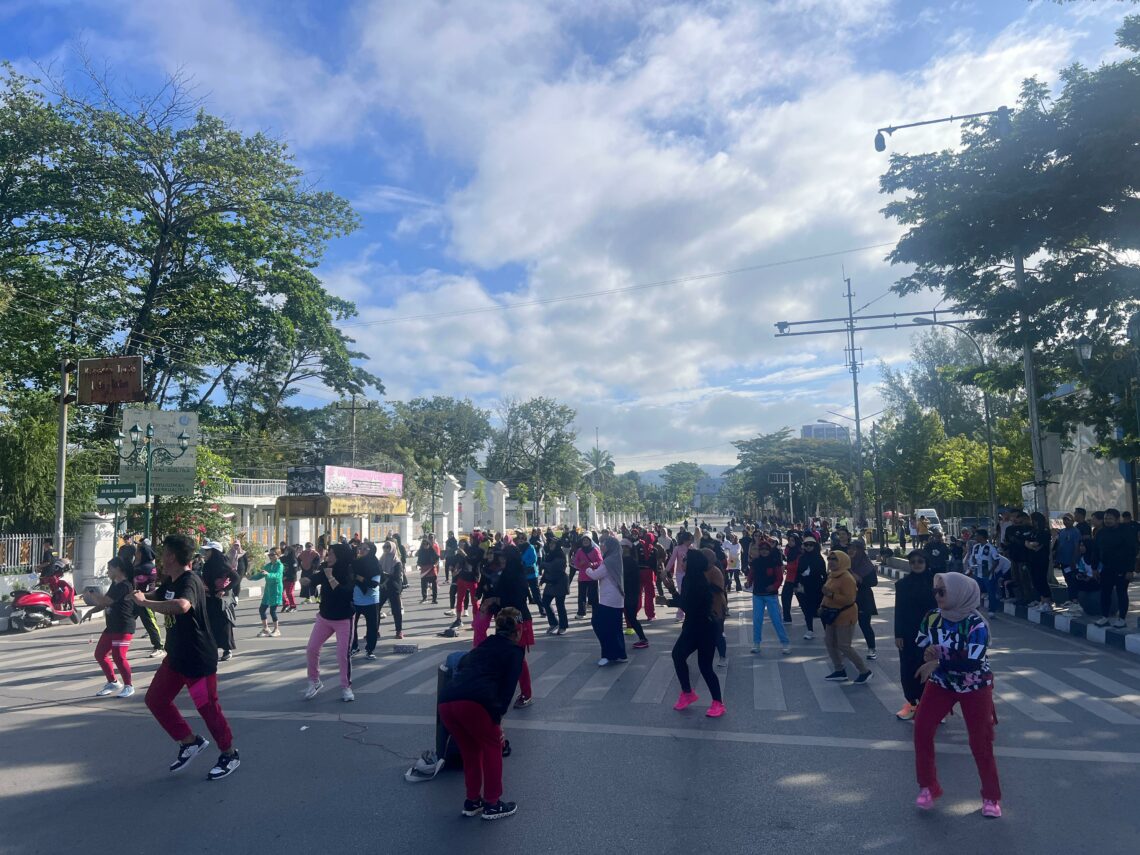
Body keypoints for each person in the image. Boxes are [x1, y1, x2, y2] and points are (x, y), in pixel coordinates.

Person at [136, 534, 240, 781]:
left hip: (197, 659)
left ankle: (229, 754)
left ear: (171, 556)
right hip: (176, 658)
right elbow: (153, 596)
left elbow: (182, 606)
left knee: (208, 710)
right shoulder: (170, 582)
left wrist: (147, 604)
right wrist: (126, 597)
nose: (160, 558)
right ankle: (190, 742)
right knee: (155, 700)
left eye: (163, 553)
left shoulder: (189, 580)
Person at [913, 572, 1002, 818]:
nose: (938, 597)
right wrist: (929, 655)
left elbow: (972, 663)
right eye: (936, 592)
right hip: (943, 683)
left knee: (980, 740)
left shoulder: (976, 624)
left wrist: (938, 661)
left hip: (975, 685)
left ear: (959, 593)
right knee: (921, 728)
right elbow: (923, 648)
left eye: (943, 592)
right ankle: (928, 786)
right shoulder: (932, 618)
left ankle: (991, 797)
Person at [438, 606, 525, 821]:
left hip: (448, 701)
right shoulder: (514, 651)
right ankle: (492, 804)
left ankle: (472, 801)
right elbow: (507, 689)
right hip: (476, 703)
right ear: (518, 630)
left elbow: (464, 664)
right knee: (493, 746)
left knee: (470, 752)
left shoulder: (484, 644)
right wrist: (498, 719)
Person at [663, 549, 725, 718]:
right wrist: (672, 591)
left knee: (705, 667)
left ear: (693, 563)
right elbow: (685, 602)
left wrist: (670, 598)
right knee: (677, 655)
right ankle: (687, 693)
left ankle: (718, 703)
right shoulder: (690, 579)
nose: (681, 562)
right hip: (692, 627)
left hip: (705, 628)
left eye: (684, 560)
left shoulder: (698, 581)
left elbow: (688, 605)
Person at [304, 542, 356, 702]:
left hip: (343, 619)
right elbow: (315, 578)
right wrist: (307, 580)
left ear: (340, 555)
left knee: (342, 655)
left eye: (332, 553)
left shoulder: (349, 570)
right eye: (329, 553)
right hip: (325, 617)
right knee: (311, 649)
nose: (329, 556)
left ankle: (346, 687)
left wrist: (330, 577)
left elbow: (345, 593)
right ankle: (314, 681)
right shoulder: (325, 567)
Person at [84, 557, 136, 698]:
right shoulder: (115, 584)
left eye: (110, 568)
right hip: (112, 626)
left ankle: (129, 686)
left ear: (118, 569)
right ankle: (112, 682)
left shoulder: (125, 586)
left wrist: (92, 593)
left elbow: (106, 601)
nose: (108, 571)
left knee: (119, 657)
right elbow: (104, 604)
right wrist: (91, 611)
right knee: (100, 654)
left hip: (123, 626)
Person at [894, 551, 936, 720]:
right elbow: (899, 611)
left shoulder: (935, 584)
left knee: (931, 668)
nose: (917, 564)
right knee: (909, 668)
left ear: (926, 562)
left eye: (920, 561)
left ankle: (934, 708)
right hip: (910, 633)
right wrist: (898, 634)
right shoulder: (903, 584)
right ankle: (912, 703)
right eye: (913, 562)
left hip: (932, 633)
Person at [820, 550, 872, 684]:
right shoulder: (832, 575)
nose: (831, 561)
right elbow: (826, 593)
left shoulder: (847, 578)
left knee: (844, 645)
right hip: (831, 614)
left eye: (834, 559)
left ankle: (864, 671)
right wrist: (822, 605)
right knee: (829, 642)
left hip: (845, 614)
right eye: (830, 558)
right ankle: (839, 670)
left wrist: (831, 595)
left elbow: (849, 599)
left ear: (842, 561)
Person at [587, 534, 628, 666]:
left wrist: (587, 569)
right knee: (616, 628)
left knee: (599, 624)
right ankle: (620, 654)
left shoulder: (609, 561)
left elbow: (595, 575)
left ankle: (607, 655)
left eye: (605, 544)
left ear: (610, 546)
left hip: (608, 600)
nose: (602, 546)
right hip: (617, 599)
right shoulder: (616, 558)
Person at [1094, 508, 1136, 628]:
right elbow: (1096, 551)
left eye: (1110, 518)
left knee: (1121, 593)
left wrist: (1130, 569)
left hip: (1122, 569)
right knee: (1105, 593)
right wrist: (1094, 567)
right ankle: (1104, 617)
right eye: (1106, 518)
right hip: (1106, 568)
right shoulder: (1101, 533)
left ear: (1117, 519)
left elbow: (1132, 551)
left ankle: (1121, 619)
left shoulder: (1125, 532)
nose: (1107, 521)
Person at [747, 539, 790, 655]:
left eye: (766, 549)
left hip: (771, 595)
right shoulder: (755, 562)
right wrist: (748, 583)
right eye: (762, 549)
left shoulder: (774, 561)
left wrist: (774, 586)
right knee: (757, 620)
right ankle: (756, 644)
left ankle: (785, 643)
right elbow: (751, 575)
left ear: (769, 550)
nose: (764, 551)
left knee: (776, 620)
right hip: (757, 595)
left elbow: (779, 578)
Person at [199, 542, 239, 661]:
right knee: (210, 624)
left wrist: (224, 590)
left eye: (208, 551)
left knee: (224, 624)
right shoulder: (206, 565)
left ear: (215, 552)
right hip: (209, 598)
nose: (205, 554)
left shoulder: (224, 565)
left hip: (223, 600)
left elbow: (236, 578)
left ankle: (227, 649)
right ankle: (212, 649)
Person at [848, 539, 879, 660]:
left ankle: (872, 648)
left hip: (863, 597)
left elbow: (874, 582)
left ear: (860, 550)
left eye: (854, 548)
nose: (851, 551)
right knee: (846, 624)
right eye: (850, 548)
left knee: (864, 624)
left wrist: (860, 579)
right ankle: (845, 648)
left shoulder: (867, 565)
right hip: (847, 597)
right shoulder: (846, 563)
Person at [350, 542, 382, 659]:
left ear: (371, 550)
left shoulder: (375, 564)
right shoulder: (355, 563)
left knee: (372, 626)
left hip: (371, 600)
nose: (361, 551)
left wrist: (359, 578)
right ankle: (354, 647)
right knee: (351, 625)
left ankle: (370, 650)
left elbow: (374, 584)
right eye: (360, 548)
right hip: (356, 599)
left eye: (365, 549)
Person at [795, 535, 826, 640]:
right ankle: (810, 630)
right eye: (806, 545)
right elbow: (798, 572)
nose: (808, 547)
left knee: (820, 610)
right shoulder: (802, 558)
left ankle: (827, 631)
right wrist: (797, 585)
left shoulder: (819, 558)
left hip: (817, 587)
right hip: (805, 587)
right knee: (806, 610)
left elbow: (823, 573)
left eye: (811, 545)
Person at [621, 538, 650, 649]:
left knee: (631, 617)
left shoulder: (629, 561)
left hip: (630, 593)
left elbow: (626, 578)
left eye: (623, 547)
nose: (621, 549)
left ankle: (643, 639)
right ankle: (642, 638)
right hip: (628, 593)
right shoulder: (626, 559)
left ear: (628, 548)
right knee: (630, 617)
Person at [248, 548, 283, 638]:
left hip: (276, 590)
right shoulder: (268, 566)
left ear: (278, 556)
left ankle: (276, 630)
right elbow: (260, 575)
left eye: (272, 554)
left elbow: (278, 576)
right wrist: (251, 577)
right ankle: (266, 629)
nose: (270, 556)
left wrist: (268, 574)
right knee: (262, 609)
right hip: (268, 590)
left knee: (272, 611)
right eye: (269, 555)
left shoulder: (280, 565)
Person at [1025, 511, 1056, 612]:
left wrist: (1031, 545)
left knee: (1041, 579)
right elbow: (1027, 542)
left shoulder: (1044, 531)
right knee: (1035, 580)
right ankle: (1042, 601)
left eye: (1032, 519)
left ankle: (1047, 601)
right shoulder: (1033, 531)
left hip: (1041, 559)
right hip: (1032, 559)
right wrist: (1030, 545)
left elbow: (1038, 546)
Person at [376, 540, 406, 640]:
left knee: (396, 610)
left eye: (388, 547)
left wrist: (386, 576)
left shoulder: (397, 561)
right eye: (384, 547)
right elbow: (379, 573)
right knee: (376, 609)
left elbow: (396, 576)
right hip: (383, 588)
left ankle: (399, 631)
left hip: (393, 588)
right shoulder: (381, 559)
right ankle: (375, 631)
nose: (386, 549)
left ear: (392, 548)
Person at [540, 543, 569, 635]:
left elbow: (554, 567)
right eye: (550, 544)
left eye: (553, 544)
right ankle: (553, 623)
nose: (551, 546)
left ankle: (563, 626)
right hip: (550, 582)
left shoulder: (560, 554)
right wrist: (542, 579)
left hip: (560, 582)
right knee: (545, 601)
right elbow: (546, 569)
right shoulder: (549, 555)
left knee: (560, 605)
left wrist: (544, 564)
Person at [572, 534, 602, 619]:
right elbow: (575, 562)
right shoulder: (579, 551)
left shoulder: (595, 550)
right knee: (581, 596)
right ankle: (581, 613)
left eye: (587, 540)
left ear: (590, 541)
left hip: (593, 576)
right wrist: (579, 564)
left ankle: (596, 612)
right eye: (584, 541)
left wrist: (593, 564)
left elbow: (600, 562)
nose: (585, 542)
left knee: (594, 596)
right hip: (582, 577)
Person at [418, 536, 439, 604]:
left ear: (429, 544)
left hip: (432, 569)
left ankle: (434, 599)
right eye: (423, 544)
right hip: (424, 569)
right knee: (423, 584)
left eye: (426, 544)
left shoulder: (432, 550)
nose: (425, 545)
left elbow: (437, 559)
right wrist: (419, 565)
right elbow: (419, 561)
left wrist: (435, 565)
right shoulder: (421, 552)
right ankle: (424, 598)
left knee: (434, 584)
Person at [280, 543, 299, 612]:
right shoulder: (283, 559)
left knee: (289, 592)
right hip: (283, 578)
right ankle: (285, 604)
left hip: (291, 578)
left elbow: (294, 571)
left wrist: (286, 576)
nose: (286, 552)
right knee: (280, 591)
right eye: (285, 550)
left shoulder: (293, 560)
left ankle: (293, 606)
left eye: (287, 551)